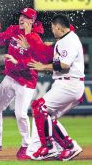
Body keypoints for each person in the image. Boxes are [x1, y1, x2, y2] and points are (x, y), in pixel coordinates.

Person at [0, 8, 53, 160]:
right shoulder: (14, 29)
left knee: (20, 114)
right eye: (21, 15)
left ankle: (27, 145)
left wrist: (17, 62)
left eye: (26, 17)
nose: (21, 19)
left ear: (32, 21)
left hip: (26, 81)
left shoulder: (35, 38)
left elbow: (36, 62)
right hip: (10, 76)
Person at [28, 14, 84, 161]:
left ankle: (49, 147)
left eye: (53, 27)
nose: (52, 30)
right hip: (68, 83)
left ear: (58, 27)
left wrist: (43, 67)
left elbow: (64, 65)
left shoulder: (68, 41)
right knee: (49, 118)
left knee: (39, 107)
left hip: (69, 83)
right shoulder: (67, 39)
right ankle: (69, 147)